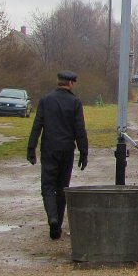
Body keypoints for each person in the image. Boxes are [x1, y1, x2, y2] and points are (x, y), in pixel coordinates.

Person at [26, 70, 89, 240]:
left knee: (47, 186)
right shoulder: (75, 102)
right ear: (70, 84)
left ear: (58, 82)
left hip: (49, 149)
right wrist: (84, 152)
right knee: (62, 188)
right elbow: (80, 129)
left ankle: (52, 218)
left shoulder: (46, 100)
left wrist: (31, 148)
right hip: (67, 150)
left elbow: (37, 125)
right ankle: (57, 225)